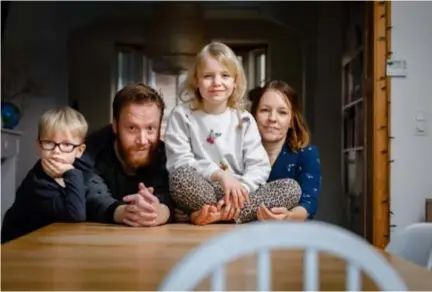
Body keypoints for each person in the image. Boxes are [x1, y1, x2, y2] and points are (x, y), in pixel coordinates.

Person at [164, 42, 302, 225]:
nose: (217, 83)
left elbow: (259, 166)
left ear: (235, 81)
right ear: (196, 80)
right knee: (180, 177)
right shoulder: (182, 115)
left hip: (240, 194)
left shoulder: (244, 120)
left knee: (292, 188)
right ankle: (226, 213)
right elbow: (179, 162)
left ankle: (217, 215)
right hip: (203, 188)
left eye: (225, 75)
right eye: (208, 76)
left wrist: (241, 189)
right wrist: (220, 175)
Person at [1, 107, 126, 243]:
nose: (56, 151)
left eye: (66, 144)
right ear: (38, 146)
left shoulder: (78, 175)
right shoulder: (37, 183)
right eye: (49, 143)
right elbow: (75, 215)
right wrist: (72, 173)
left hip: (47, 243)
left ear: (79, 150)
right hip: (17, 250)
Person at [83, 83, 174, 227]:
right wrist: (124, 212)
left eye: (150, 128)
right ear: (115, 125)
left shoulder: (166, 155)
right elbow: (92, 194)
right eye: (132, 128)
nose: (142, 140)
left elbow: (171, 194)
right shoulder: (90, 151)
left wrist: (161, 211)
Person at [250, 80, 321, 221]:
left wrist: (289, 216)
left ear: (291, 120)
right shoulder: (239, 151)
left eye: (282, 112)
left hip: (289, 235)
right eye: (265, 110)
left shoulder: (307, 154)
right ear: (253, 115)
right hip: (243, 235)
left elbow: (309, 202)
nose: (272, 119)